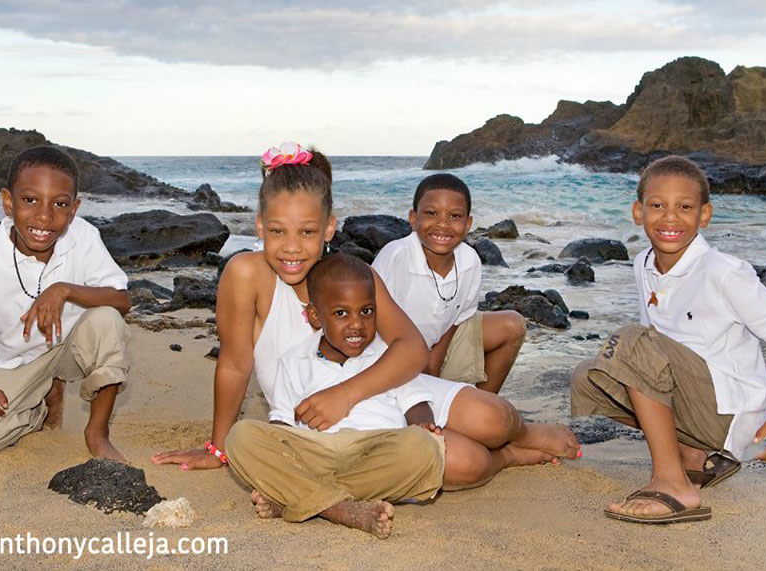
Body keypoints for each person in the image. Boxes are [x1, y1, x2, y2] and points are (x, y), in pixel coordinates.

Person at [151, 142, 579, 484]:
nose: (293, 247)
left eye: (307, 232)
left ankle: (523, 433)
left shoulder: (350, 275)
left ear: (330, 228)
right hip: (321, 419)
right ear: (260, 226)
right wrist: (219, 446)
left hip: (380, 387)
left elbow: (410, 348)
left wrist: (347, 394)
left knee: (495, 415)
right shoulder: (247, 272)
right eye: (277, 232)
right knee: (466, 461)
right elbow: (235, 363)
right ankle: (505, 457)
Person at [571, 155, 766, 524]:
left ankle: (673, 483)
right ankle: (695, 457)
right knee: (589, 377)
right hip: (695, 404)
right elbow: (660, 347)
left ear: (704, 215)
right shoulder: (642, 264)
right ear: (638, 211)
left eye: (684, 207)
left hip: (728, 411)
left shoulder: (723, 271)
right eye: (657, 206)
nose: (669, 217)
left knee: (632, 342)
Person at [225, 253, 445, 539]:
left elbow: (416, 404)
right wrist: (282, 450)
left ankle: (297, 498)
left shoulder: (389, 357)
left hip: (373, 450)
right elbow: (282, 424)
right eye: (341, 313)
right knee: (241, 438)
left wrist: (424, 426)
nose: (357, 324)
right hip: (314, 451)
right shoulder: (293, 361)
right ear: (316, 316)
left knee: (423, 448)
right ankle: (341, 509)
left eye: (366, 311)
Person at [0, 146, 131, 461]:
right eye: (30, 200)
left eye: (60, 204)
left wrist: (63, 290)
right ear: (7, 202)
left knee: (107, 318)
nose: (45, 216)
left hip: (71, 346)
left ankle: (97, 432)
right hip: (20, 359)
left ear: (74, 209)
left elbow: (122, 299)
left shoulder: (83, 236)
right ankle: (39, 405)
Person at [373, 173, 526, 394]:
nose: (442, 224)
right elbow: (370, 320)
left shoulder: (470, 260)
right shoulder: (397, 256)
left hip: (436, 347)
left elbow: (456, 319)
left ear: (468, 224)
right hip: (390, 355)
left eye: (454, 216)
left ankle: (482, 400)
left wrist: (435, 361)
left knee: (512, 325)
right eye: (431, 213)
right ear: (413, 218)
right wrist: (416, 362)